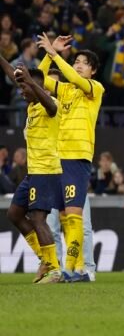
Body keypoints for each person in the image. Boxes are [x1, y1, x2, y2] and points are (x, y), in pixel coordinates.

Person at [37, 33, 103, 283]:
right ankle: (74, 270)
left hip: (77, 157)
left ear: (93, 71)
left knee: (75, 216)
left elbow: (75, 78)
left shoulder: (94, 89)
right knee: (65, 218)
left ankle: (73, 269)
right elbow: (38, 80)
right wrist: (49, 54)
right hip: (59, 159)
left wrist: (56, 55)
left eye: (85, 63)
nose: (78, 65)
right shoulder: (64, 90)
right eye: (76, 60)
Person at [1, 61, 63, 284]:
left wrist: (30, 81)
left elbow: (52, 107)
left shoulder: (51, 105)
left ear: (37, 88)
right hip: (33, 173)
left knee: (38, 219)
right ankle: (45, 259)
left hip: (47, 171)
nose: (21, 92)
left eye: (25, 88)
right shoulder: (32, 106)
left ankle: (54, 270)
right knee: (14, 214)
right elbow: (13, 76)